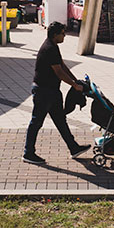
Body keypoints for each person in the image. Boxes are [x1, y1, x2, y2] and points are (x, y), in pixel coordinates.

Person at [22, 22, 90, 164]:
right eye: (62, 33)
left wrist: (75, 80)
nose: (64, 35)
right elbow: (58, 72)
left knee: (60, 121)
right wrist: (73, 85)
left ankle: (73, 147)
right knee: (36, 122)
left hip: (52, 91)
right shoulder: (49, 48)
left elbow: (62, 66)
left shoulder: (53, 46)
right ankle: (28, 153)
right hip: (44, 91)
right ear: (55, 35)